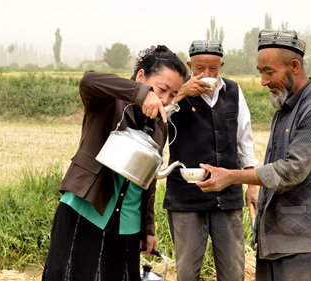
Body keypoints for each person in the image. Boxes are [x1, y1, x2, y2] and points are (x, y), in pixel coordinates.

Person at [42, 45, 207, 281]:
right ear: (141, 76)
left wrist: (148, 229)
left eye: (173, 94)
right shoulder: (110, 103)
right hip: (85, 212)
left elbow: (147, 180)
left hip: (127, 228)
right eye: (161, 89)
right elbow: (88, 81)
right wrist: (141, 93)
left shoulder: (160, 126)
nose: (165, 99)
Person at [196, 30, 311, 281]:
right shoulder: (284, 107)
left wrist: (233, 177)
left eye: (269, 71)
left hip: (304, 244)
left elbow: (291, 170)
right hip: (275, 240)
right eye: (260, 72)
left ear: (294, 66)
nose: (263, 81)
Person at [164, 40, 260, 281]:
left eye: (213, 69)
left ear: (221, 66)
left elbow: (244, 140)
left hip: (227, 196)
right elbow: (156, 121)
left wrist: (251, 184)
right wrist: (182, 93)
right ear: (189, 66)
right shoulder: (176, 93)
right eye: (199, 69)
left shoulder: (234, 92)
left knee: (233, 271)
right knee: (187, 272)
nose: (206, 75)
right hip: (186, 197)